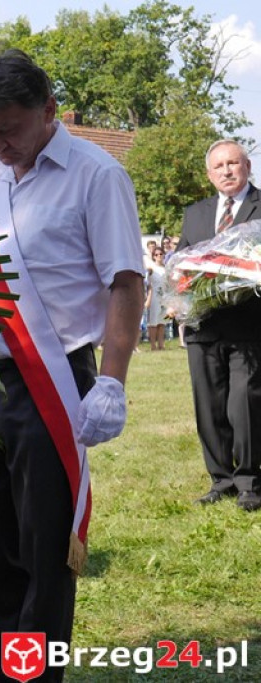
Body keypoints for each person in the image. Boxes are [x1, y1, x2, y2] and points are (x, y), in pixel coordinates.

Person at [0, 50, 143, 682]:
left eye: (8, 129)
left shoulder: (96, 174)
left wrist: (112, 380)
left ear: (49, 111)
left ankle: (32, 677)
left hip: (53, 381)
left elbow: (124, 281)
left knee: (42, 554)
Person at [179, 139, 261, 512]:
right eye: (219, 166)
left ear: (247, 166)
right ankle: (220, 481)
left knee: (245, 404)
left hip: (249, 325)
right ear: (209, 174)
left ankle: (249, 482)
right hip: (203, 326)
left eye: (233, 163)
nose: (227, 171)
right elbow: (180, 261)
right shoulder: (195, 214)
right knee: (208, 405)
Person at [144, 248, 168, 351]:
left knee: (162, 322)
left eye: (161, 254)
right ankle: (153, 345)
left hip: (164, 296)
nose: (159, 256)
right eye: (156, 254)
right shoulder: (151, 268)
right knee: (153, 322)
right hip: (154, 296)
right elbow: (145, 277)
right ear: (153, 256)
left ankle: (161, 344)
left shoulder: (166, 267)